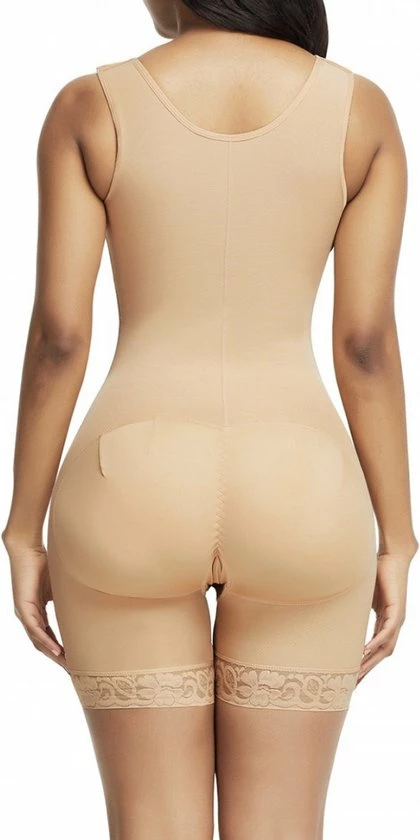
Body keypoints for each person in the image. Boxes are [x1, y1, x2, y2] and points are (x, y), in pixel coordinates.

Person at [2, 0, 418, 837]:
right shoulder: (361, 111)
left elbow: (60, 336)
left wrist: (23, 528)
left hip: (129, 479)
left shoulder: (90, 105)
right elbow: (365, 345)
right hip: (303, 481)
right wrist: (398, 538)